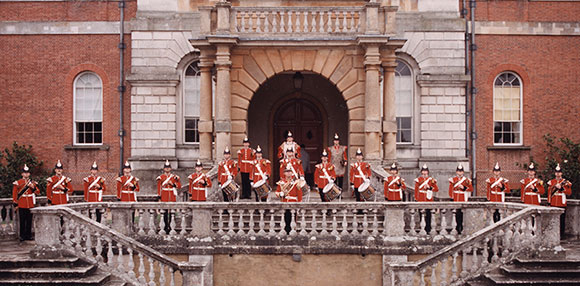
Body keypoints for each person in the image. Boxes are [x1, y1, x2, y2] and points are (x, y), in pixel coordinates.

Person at [12, 164, 39, 241]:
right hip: (22, 204)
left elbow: (37, 192)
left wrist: (33, 187)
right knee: (22, 221)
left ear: (29, 174)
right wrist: (15, 204)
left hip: (30, 204)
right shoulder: (18, 183)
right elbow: (15, 194)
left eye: (27, 173)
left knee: (29, 221)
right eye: (24, 173)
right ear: (22, 174)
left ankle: (28, 235)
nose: (26, 174)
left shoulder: (33, 183)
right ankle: (22, 236)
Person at [156, 160, 182, 234]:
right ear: (164, 169)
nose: (167, 169)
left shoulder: (174, 177)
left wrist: (173, 184)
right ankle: (165, 226)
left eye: (168, 167)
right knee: (165, 212)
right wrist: (159, 197)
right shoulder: (160, 178)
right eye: (166, 167)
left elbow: (179, 186)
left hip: (171, 195)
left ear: (170, 168)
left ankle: (171, 227)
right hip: (164, 195)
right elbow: (159, 188)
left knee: (171, 212)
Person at [547, 163, 572, 238]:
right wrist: (549, 202)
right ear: (555, 173)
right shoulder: (551, 182)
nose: (558, 174)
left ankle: (561, 235)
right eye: (556, 172)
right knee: (553, 220)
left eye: (559, 172)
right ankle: (553, 234)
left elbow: (569, 192)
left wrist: (561, 188)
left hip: (561, 202)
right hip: (554, 202)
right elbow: (549, 193)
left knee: (562, 220)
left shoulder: (566, 182)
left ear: (561, 173)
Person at [275, 167, 303, 234]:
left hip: (293, 202)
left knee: (293, 219)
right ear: (284, 173)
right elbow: (277, 191)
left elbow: (299, 194)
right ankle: (287, 231)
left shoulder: (296, 182)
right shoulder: (281, 182)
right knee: (286, 218)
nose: (288, 173)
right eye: (287, 172)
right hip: (285, 202)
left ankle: (293, 231)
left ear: (292, 173)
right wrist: (280, 194)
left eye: (290, 172)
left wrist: (299, 203)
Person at [414, 164, 439, 233]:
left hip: (428, 199)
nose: (424, 173)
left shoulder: (431, 180)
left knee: (428, 215)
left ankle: (428, 229)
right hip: (421, 198)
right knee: (421, 214)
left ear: (427, 172)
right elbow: (416, 191)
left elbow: (436, 189)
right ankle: (422, 228)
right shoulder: (418, 180)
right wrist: (416, 199)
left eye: (425, 171)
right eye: (423, 171)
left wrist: (429, 187)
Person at [448, 164, 473, 234]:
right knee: (456, 215)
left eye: (461, 171)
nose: (460, 173)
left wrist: (464, 188)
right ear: (456, 172)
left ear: (463, 172)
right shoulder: (453, 180)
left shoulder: (467, 180)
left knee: (462, 215)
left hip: (462, 198)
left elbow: (471, 189)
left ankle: (461, 228)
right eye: (458, 171)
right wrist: (452, 198)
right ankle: (457, 228)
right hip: (456, 198)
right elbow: (450, 190)